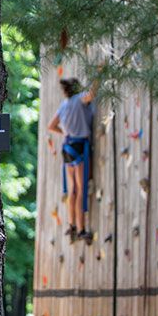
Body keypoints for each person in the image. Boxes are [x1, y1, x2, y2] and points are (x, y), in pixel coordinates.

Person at [48, 76, 100, 242]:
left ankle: (71, 225)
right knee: (80, 190)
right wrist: (99, 75)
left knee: (72, 191)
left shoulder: (64, 105)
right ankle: (81, 229)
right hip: (79, 147)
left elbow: (51, 126)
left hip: (67, 148)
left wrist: (64, 132)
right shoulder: (80, 99)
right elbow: (91, 94)